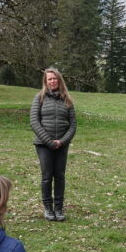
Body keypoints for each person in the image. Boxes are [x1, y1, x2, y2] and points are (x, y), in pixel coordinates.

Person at [30, 67, 77, 221]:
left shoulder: (67, 99)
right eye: (49, 79)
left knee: (60, 176)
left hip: (62, 145)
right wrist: (50, 142)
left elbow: (73, 125)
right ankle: (48, 208)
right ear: (45, 81)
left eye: (54, 78)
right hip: (44, 145)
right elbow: (34, 122)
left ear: (59, 80)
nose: (52, 81)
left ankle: (58, 208)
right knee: (46, 176)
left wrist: (62, 142)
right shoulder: (39, 98)